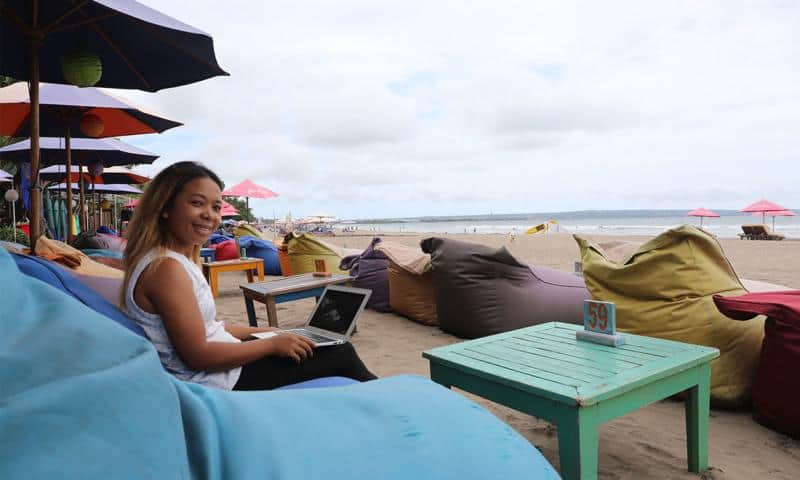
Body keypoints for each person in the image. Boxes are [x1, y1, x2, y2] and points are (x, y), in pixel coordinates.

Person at [120, 161, 376, 390]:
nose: (210, 215)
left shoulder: (169, 260)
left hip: (220, 367)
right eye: (197, 203)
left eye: (216, 206)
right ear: (165, 207)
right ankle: (391, 405)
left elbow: (208, 328)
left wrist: (268, 331)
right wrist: (271, 345)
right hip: (216, 380)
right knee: (340, 352)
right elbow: (198, 355)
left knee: (317, 345)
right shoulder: (167, 269)